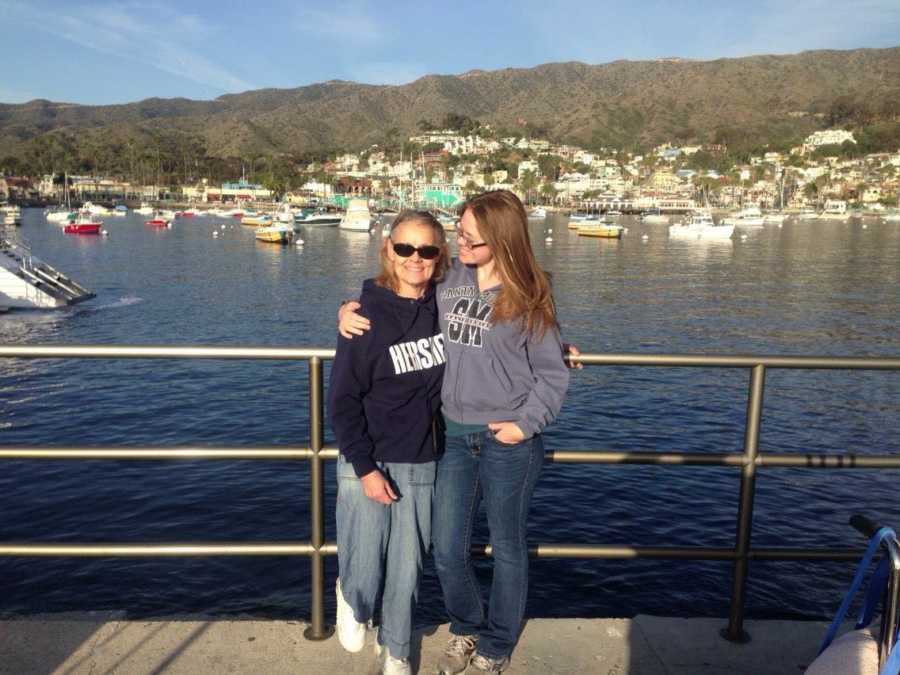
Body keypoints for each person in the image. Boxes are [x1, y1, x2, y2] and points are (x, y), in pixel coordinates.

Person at [340, 190, 570, 674]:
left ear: (502, 242)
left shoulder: (530, 297)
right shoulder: (451, 281)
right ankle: (465, 627)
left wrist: (524, 425)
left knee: (507, 546)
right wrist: (350, 307)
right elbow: (399, 281)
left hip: (508, 438)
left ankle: (497, 641)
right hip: (452, 436)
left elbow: (551, 374)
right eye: (460, 234)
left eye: (470, 238)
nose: (459, 244)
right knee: (445, 548)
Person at [329, 210, 449, 675]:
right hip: (367, 456)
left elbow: (510, 303)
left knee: (406, 569)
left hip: (420, 458)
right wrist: (365, 468)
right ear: (388, 250)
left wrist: (553, 345)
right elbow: (341, 401)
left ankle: (396, 648)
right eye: (404, 248)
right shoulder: (364, 316)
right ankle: (351, 597)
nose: (415, 258)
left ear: (439, 257)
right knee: (363, 561)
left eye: (426, 250)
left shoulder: (446, 305)